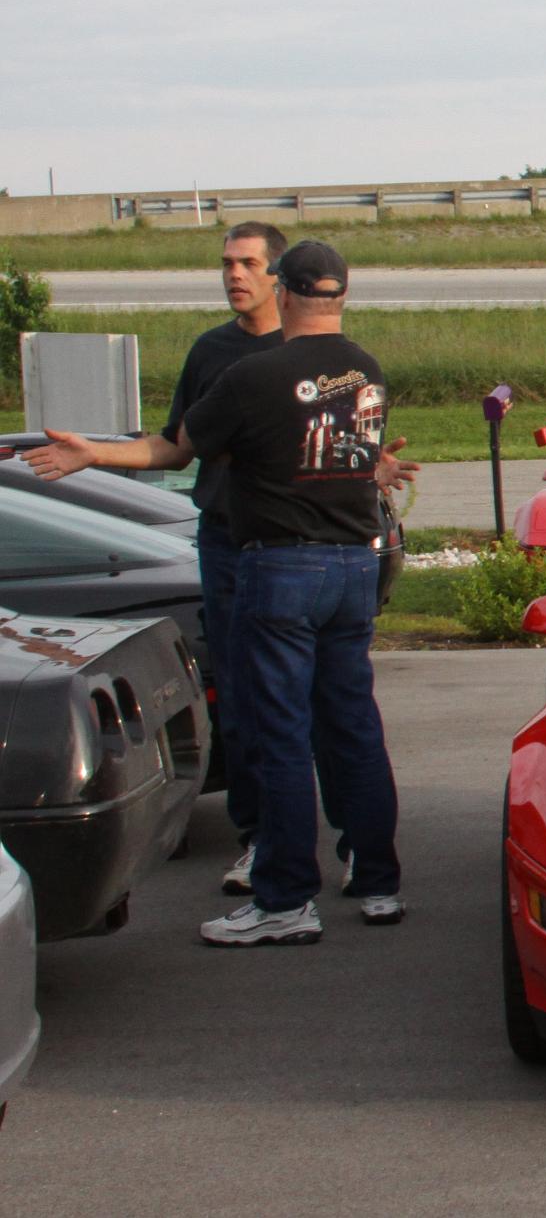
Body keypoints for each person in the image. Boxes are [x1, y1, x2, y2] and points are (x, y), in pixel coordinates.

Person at [26, 240, 408, 946]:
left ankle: (286, 899)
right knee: (352, 723)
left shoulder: (252, 375)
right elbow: (339, 454)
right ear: (342, 294)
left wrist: (92, 452)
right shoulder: (367, 371)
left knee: (279, 733)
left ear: (284, 292)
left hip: (283, 566)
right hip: (353, 565)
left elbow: (175, 449)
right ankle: (378, 882)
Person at [164, 222, 289, 890]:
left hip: (294, 543)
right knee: (240, 700)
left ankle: (353, 841)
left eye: (247, 263)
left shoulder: (305, 351)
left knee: (313, 697)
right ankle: (259, 838)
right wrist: (92, 452)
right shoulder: (210, 352)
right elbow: (178, 446)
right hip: (225, 543)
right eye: (226, 264)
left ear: (277, 275)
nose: (234, 275)